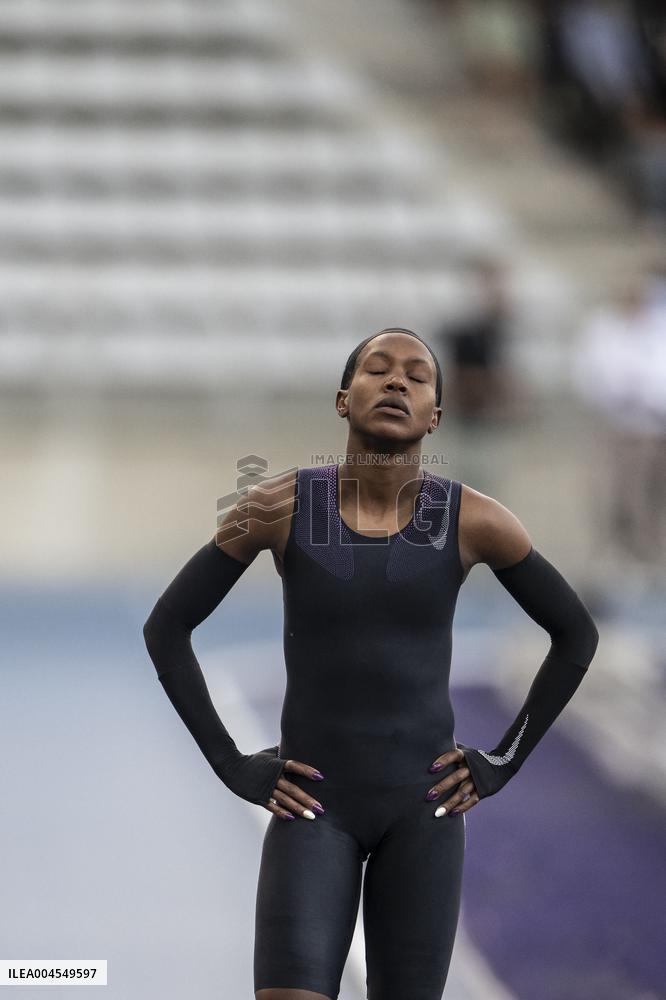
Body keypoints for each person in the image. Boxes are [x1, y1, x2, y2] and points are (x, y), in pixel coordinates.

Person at [142, 327, 599, 1000]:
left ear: (435, 415)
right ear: (341, 398)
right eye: (378, 370)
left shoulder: (477, 520)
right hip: (313, 811)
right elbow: (168, 626)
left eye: (416, 376)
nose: (396, 382)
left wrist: (503, 760)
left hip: (425, 815)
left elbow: (574, 635)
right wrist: (229, 761)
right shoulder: (275, 507)